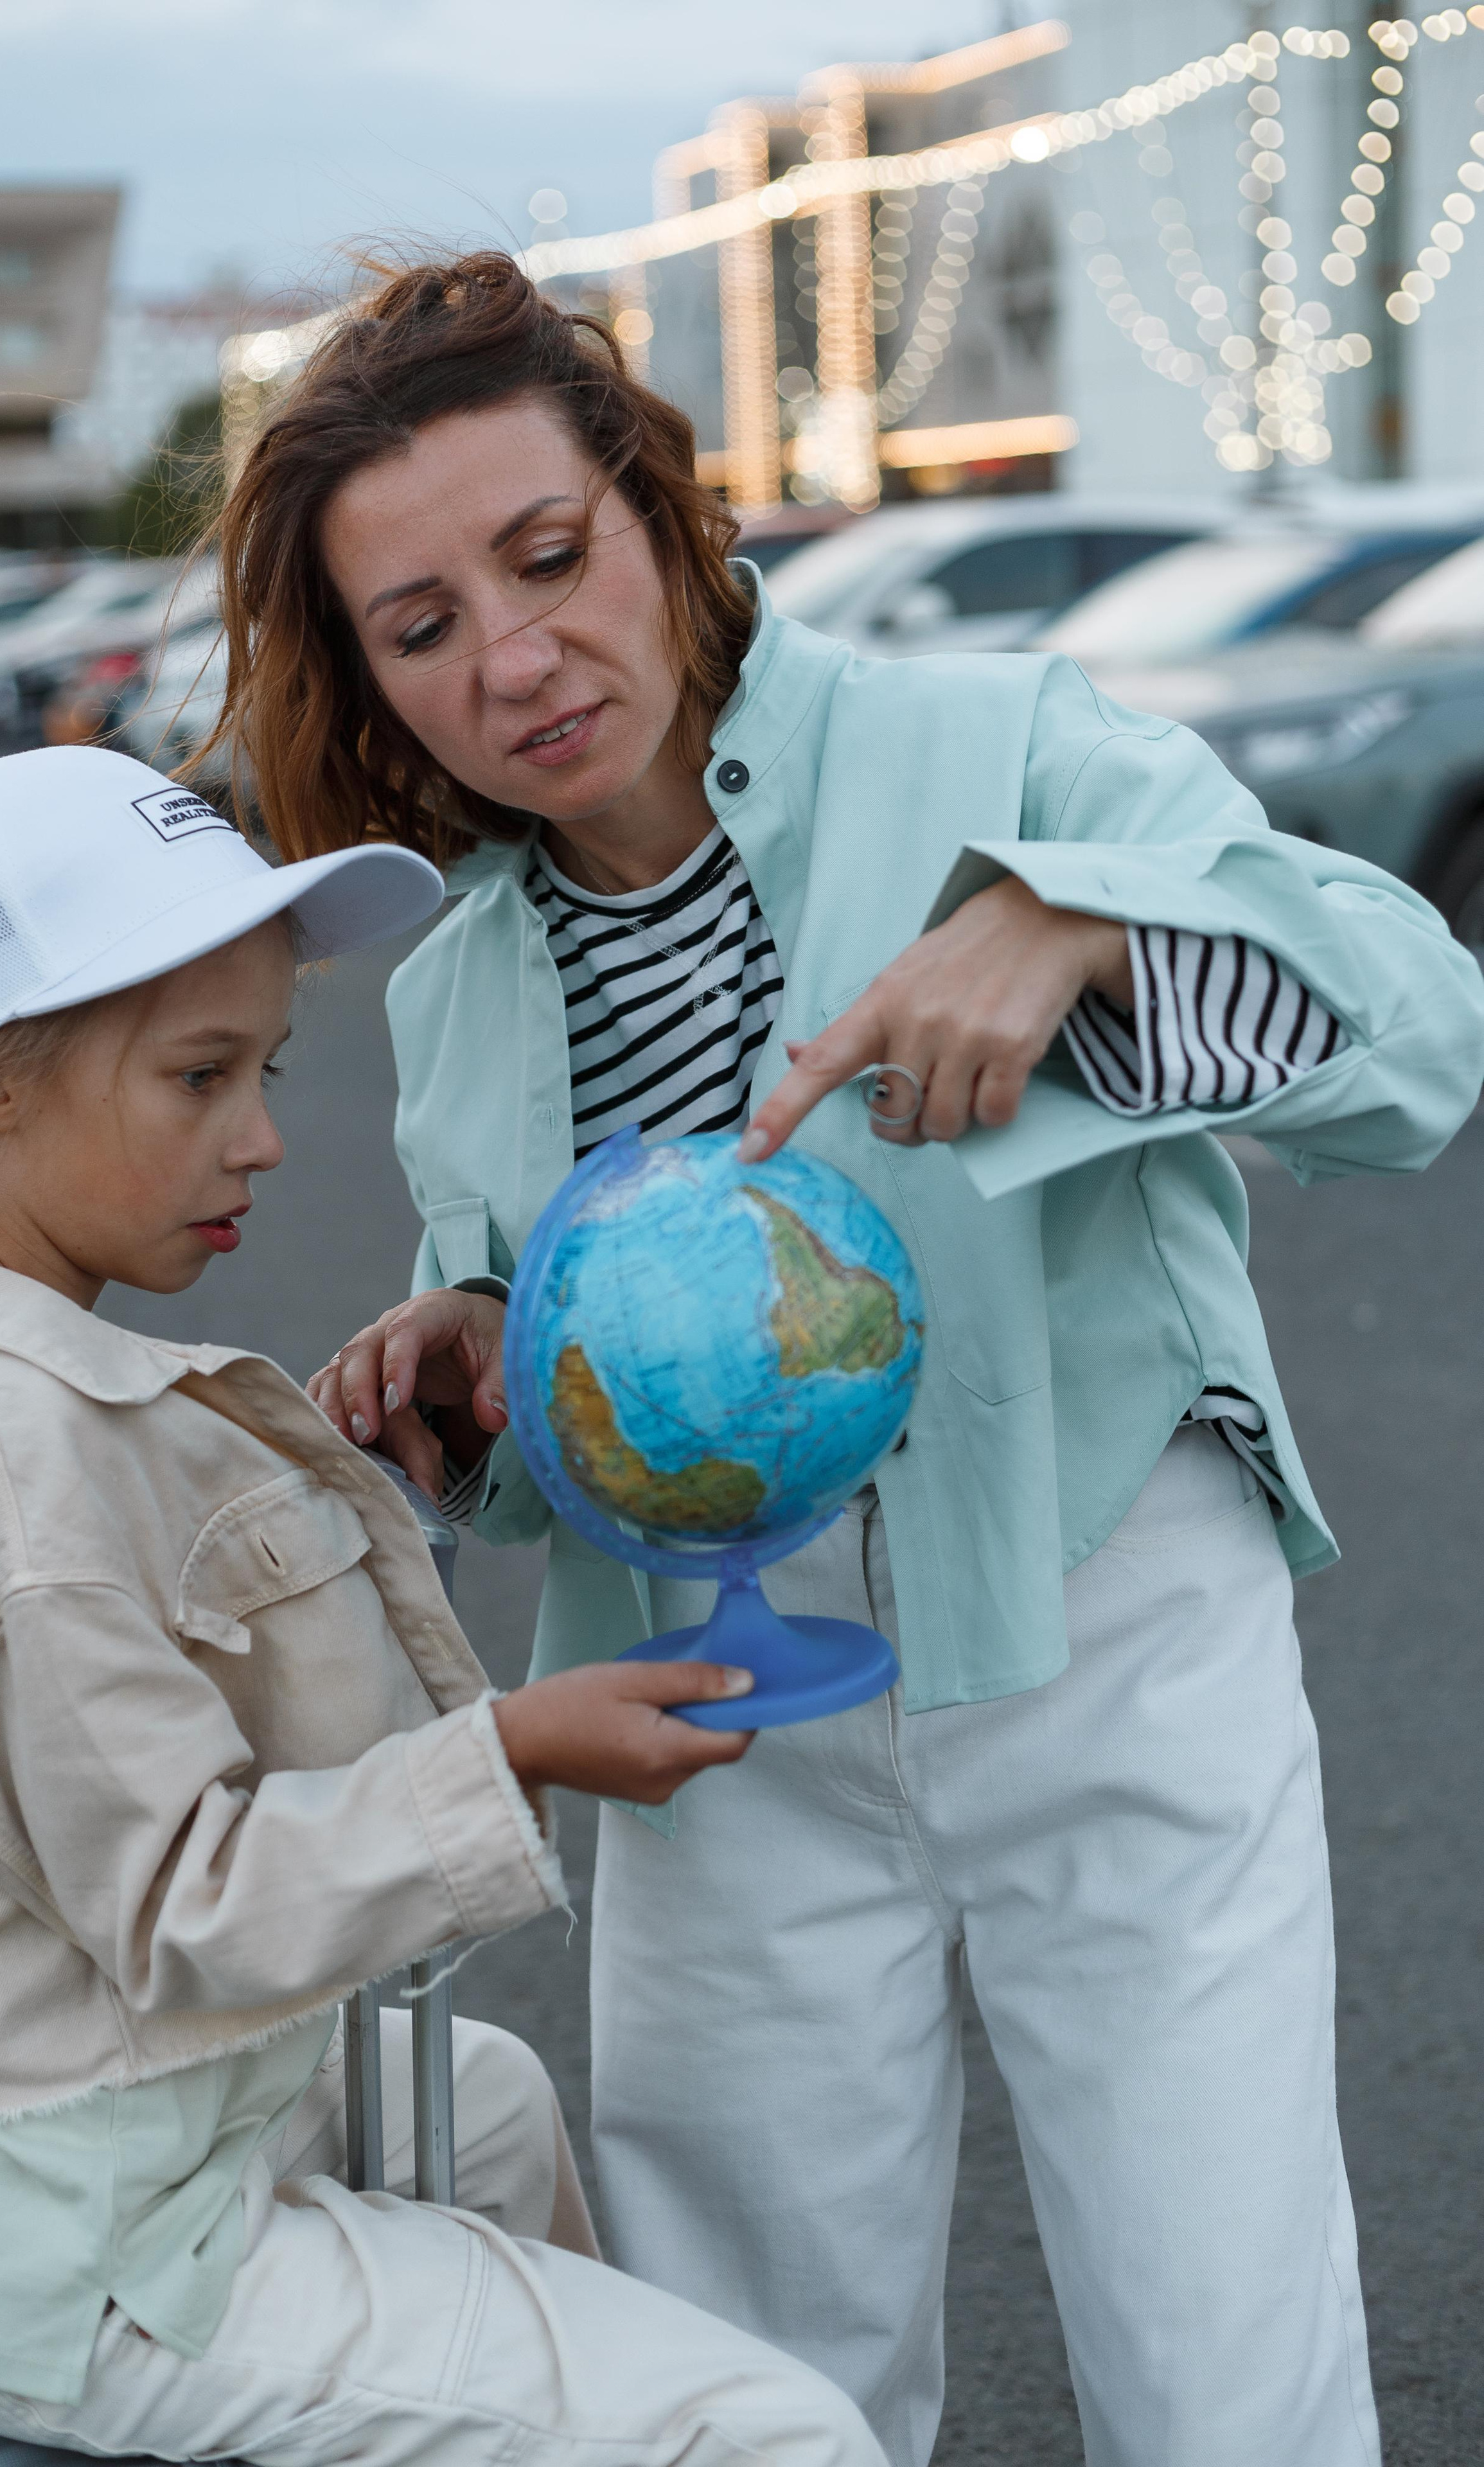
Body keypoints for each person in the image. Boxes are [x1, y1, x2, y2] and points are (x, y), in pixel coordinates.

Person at [205, 253, 1484, 2467]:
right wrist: (471, 1351)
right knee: (750, 2387)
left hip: (1103, 1605)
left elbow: (1420, 1039)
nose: (513, 659)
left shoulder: (1004, 749)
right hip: (713, 1707)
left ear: (659, 512)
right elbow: (552, 1370)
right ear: (370, 679)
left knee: (1224, 2356)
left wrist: (1086, 927)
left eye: (548, 555)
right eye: (420, 627)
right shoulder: (455, 989)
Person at [0, 743, 887, 2467]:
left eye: (262, 1069)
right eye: (198, 1077)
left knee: (492, 2101)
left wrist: (358, 1502)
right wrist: (519, 1755)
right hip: (104, 2246)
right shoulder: (13, 1467)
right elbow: (188, 1903)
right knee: (773, 2430)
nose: (260, 1136)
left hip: (71, 2127)